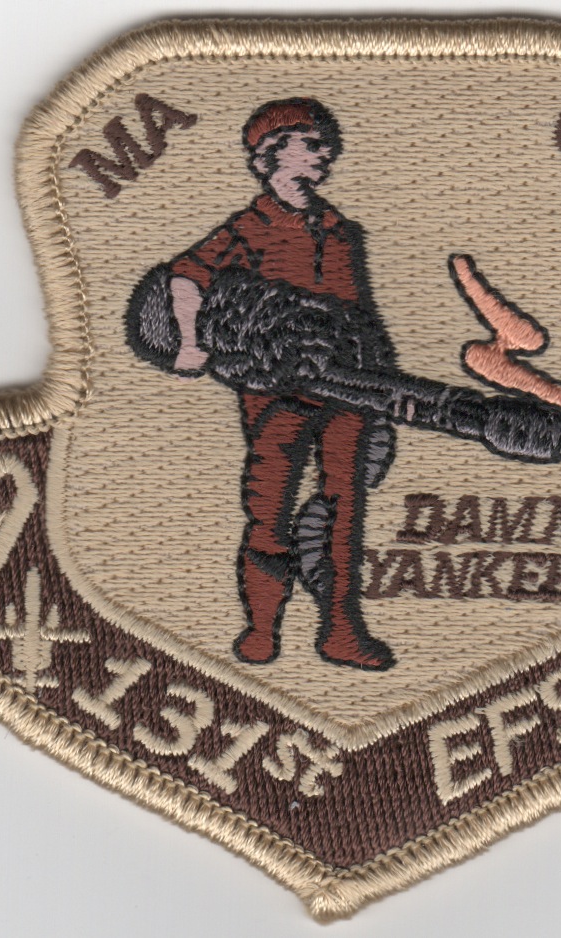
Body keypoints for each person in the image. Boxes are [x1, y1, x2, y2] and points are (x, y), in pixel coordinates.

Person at [168, 98, 399, 671]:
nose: (326, 154)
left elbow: (361, 311)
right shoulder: (248, 228)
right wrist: (191, 344)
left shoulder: (341, 231)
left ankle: (340, 631)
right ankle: (261, 628)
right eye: (312, 144)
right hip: (277, 395)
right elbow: (186, 276)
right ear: (272, 153)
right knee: (269, 507)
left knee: (345, 509)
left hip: (349, 389)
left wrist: (383, 379)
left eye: (327, 146)